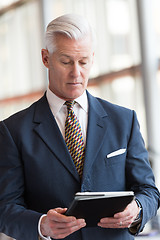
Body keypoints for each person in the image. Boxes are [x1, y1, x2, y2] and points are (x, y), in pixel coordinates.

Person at [0, 14, 159, 240]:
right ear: (46, 58)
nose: (76, 73)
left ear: (92, 58)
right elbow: (5, 208)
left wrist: (137, 210)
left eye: (83, 62)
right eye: (66, 62)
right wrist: (42, 225)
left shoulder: (124, 120)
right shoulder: (13, 131)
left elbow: (149, 191)